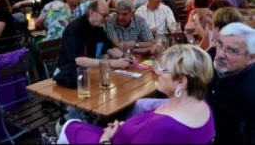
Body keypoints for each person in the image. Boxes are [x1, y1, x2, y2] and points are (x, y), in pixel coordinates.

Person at [57, 44, 215, 144]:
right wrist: (129, 127)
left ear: (181, 81)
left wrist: (105, 139)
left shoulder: (164, 126)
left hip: (111, 139)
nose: (157, 72)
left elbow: (158, 129)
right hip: (123, 134)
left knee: (70, 126)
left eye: (163, 69)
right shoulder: (203, 106)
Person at [206, 22, 255, 144]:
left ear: (250, 58)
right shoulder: (211, 56)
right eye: (220, 45)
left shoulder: (250, 93)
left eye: (232, 51)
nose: (221, 54)